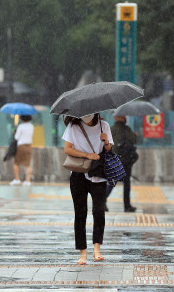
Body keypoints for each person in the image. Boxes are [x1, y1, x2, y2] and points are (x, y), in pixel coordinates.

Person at [62, 113, 113, 265]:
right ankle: (82, 252)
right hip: (78, 173)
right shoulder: (73, 126)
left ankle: (97, 249)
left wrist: (105, 142)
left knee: (99, 211)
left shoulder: (104, 126)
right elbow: (67, 149)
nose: (87, 116)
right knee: (80, 213)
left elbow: (109, 150)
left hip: (98, 174)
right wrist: (87, 155)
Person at [105, 116, 137, 212]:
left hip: (115, 160)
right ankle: (127, 206)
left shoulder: (111, 129)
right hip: (126, 159)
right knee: (126, 184)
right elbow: (134, 140)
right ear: (122, 118)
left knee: (112, 182)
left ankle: (102, 200)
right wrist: (135, 135)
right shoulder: (127, 129)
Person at [10, 115, 34, 186]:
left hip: (21, 146)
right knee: (27, 165)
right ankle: (28, 181)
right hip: (29, 146)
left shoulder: (21, 126)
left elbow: (16, 137)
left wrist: (15, 132)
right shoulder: (31, 126)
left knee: (16, 163)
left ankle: (17, 179)